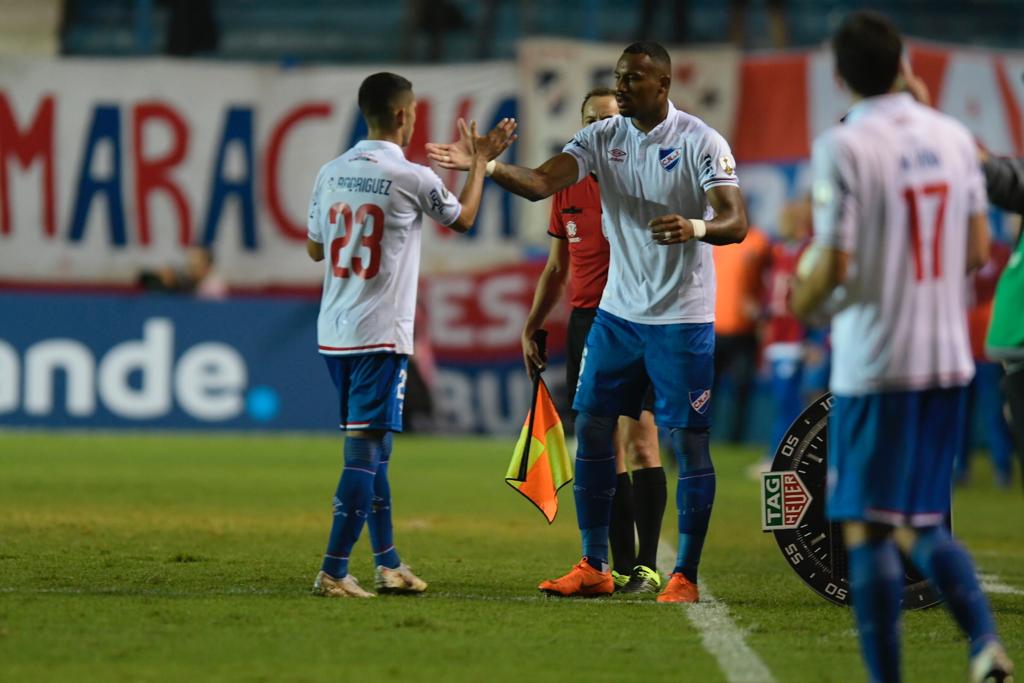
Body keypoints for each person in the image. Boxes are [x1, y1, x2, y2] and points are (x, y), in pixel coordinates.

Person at [429, 41, 748, 603]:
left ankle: (685, 576)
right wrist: (488, 164)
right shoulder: (603, 137)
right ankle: (595, 562)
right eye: (619, 77)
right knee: (594, 429)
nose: (622, 87)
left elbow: (735, 219)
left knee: (688, 442)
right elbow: (541, 182)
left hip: (681, 318)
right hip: (618, 315)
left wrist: (696, 228)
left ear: (664, 85)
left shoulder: (701, 141)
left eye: (633, 79)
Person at [791, 12, 1013, 683]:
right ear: (904, 63)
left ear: (839, 76)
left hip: (876, 361)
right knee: (922, 520)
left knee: (866, 526)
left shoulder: (846, 144)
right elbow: (978, 249)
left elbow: (831, 265)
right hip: (945, 358)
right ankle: (983, 644)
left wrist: (801, 301)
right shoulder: (953, 136)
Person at [305, 72, 516, 598]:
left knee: (375, 451)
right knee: (364, 451)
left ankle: (389, 563)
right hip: (380, 333)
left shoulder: (330, 172)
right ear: (403, 115)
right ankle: (333, 570)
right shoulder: (411, 176)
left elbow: (315, 249)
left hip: (335, 331)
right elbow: (464, 219)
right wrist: (482, 164)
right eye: (415, 112)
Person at [520, 86, 667, 594]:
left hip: (638, 319)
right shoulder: (567, 187)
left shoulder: (646, 178)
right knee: (601, 447)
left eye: (609, 119)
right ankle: (611, 568)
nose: (601, 129)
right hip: (587, 322)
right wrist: (533, 322)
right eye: (591, 122)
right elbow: (557, 267)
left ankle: (647, 566)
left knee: (642, 439)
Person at [712, 223, 769, 443]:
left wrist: (761, 307)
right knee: (706, 389)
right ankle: (703, 436)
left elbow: (774, 278)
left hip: (745, 330)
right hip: (712, 327)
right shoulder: (711, 238)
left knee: (742, 387)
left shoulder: (759, 241)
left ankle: (734, 439)